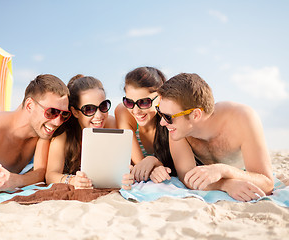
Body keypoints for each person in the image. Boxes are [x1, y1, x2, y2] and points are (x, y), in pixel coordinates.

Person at [154, 73, 274, 201]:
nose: (162, 123)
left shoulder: (243, 119)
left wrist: (224, 170)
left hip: (242, 171)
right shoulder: (178, 131)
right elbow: (187, 177)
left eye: (168, 117)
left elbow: (267, 184)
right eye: (160, 113)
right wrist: (225, 184)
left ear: (195, 115)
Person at [45, 75, 133, 189]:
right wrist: (72, 180)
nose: (99, 115)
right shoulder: (64, 133)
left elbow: (124, 165)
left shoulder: (111, 124)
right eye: (89, 109)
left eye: (103, 106)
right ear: (75, 112)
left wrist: (128, 173)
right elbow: (50, 175)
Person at [115, 66, 176, 183]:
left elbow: (180, 167)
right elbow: (141, 167)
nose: (136, 111)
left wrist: (154, 162)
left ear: (160, 97)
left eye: (144, 102)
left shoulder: (171, 116)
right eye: (129, 102)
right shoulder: (123, 112)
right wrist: (153, 163)